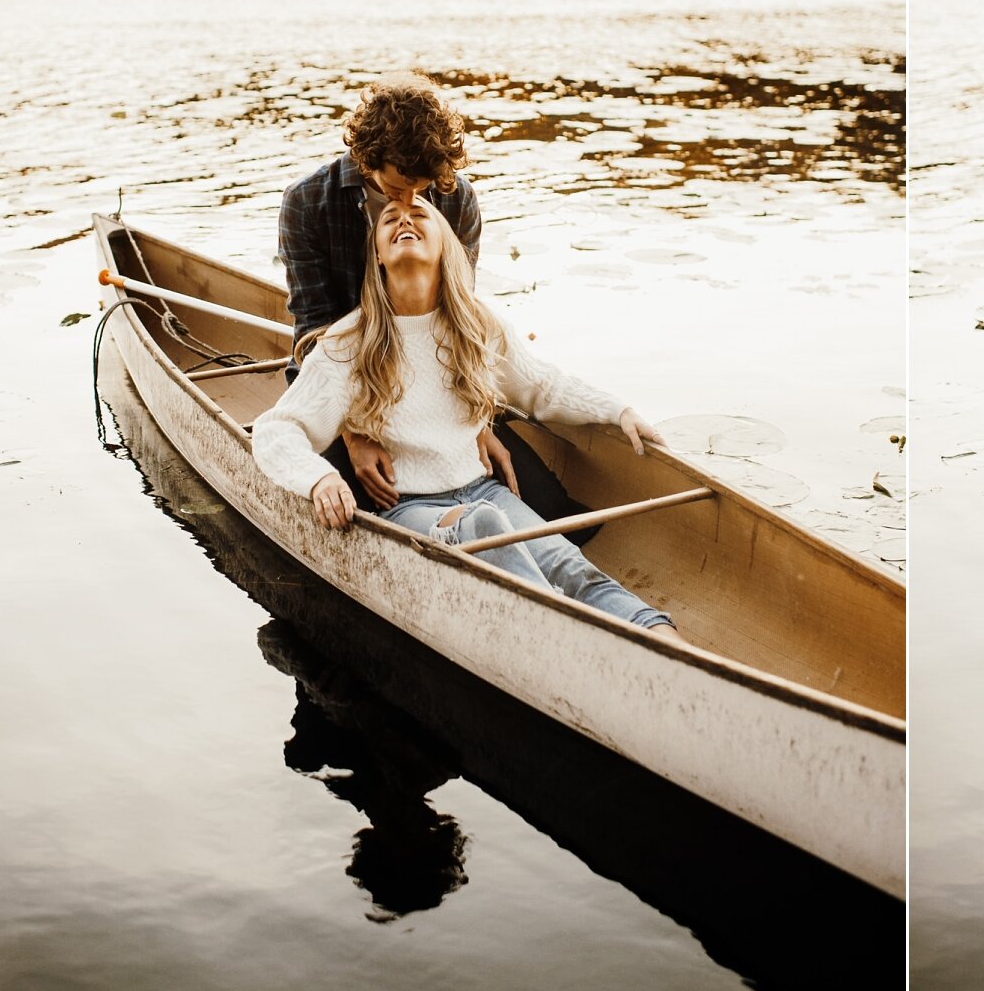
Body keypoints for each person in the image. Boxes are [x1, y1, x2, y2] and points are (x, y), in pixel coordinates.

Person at [253, 193, 685, 640]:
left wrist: (618, 410)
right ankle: (565, 642)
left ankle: (669, 647)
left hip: (484, 490)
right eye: (390, 221)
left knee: (568, 563)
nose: (404, 220)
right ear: (378, 256)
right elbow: (275, 430)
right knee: (481, 526)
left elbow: (542, 386)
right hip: (408, 507)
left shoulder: (476, 325)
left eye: (420, 214)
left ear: (444, 244)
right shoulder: (348, 343)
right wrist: (318, 479)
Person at [277, 74, 513, 509]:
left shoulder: (455, 198)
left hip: (434, 383)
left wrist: (476, 424)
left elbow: (457, 320)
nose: (409, 201)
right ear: (367, 157)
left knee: (535, 494)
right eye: (398, 187)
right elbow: (314, 329)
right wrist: (355, 435)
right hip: (345, 386)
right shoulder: (306, 204)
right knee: (365, 499)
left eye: (421, 189)